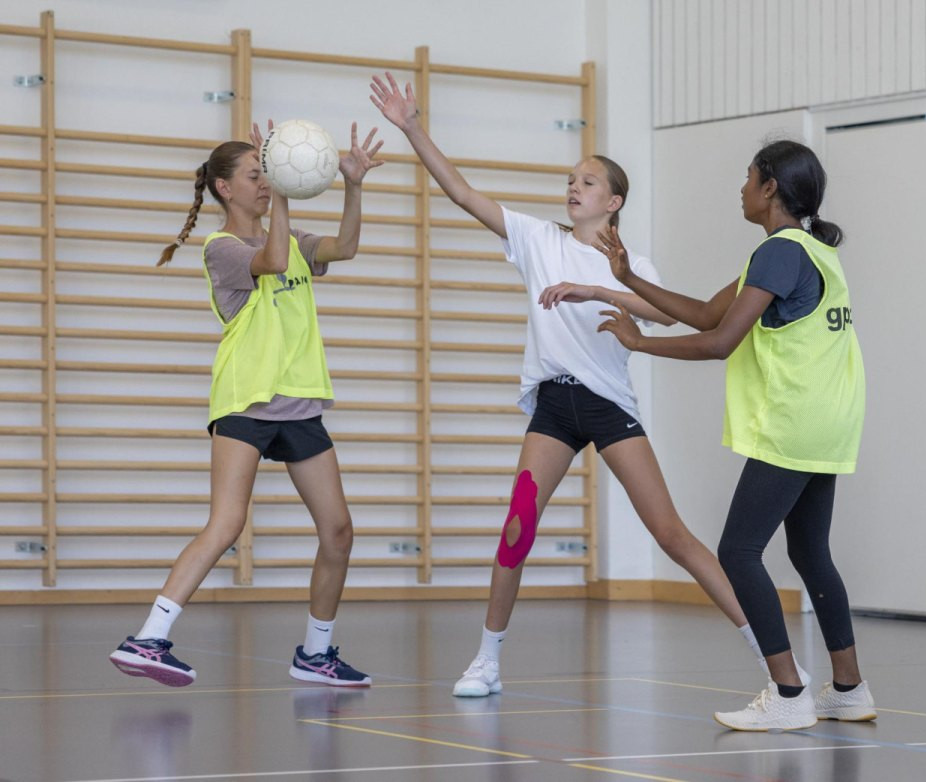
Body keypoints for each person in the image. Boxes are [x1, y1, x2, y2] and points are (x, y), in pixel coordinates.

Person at [368, 73, 800, 697]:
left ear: (613, 201)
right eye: (570, 180)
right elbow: (462, 194)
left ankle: (768, 658)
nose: (574, 187)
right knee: (518, 522)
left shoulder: (633, 266)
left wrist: (605, 288)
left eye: (588, 181)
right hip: (553, 404)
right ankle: (486, 660)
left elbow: (667, 315)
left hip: (607, 408)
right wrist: (412, 127)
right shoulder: (537, 239)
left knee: (671, 534)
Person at [589, 139, 873, 731]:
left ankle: (789, 693)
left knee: (737, 552)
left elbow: (721, 344)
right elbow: (706, 313)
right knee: (809, 552)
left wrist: (640, 343)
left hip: (794, 420)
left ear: (770, 187)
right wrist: (628, 277)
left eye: (747, 177)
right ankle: (848, 688)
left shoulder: (778, 253)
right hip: (831, 421)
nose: (740, 187)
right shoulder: (809, 251)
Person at [108, 121, 385, 688]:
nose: (264, 184)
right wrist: (284, 190)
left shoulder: (296, 237)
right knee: (226, 523)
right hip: (245, 402)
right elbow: (275, 260)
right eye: (256, 176)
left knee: (338, 531)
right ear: (223, 188)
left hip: (300, 404)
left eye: (269, 174)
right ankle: (149, 639)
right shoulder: (224, 250)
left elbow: (347, 247)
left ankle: (316, 654)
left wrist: (353, 186)